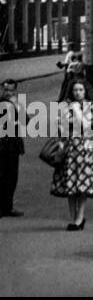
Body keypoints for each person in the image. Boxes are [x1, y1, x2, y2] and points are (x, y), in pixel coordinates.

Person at [50, 78, 93, 230]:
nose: (77, 93)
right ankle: (72, 218)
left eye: (80, 90)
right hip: (69, 149)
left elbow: (87, 126)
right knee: (70, 184)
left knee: (82, 185)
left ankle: (80, 217)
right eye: (75, 90)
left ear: (85, 91)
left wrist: (76, 110)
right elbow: (61, 128)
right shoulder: (64, 107)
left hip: (84, 148)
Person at [0, 78, 24, 217]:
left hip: (13, 145)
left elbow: (26, 121)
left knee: (12, 177)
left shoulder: (16, 104)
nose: (8, 93)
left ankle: (8, 207)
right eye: (5, 89)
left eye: (11, 90)